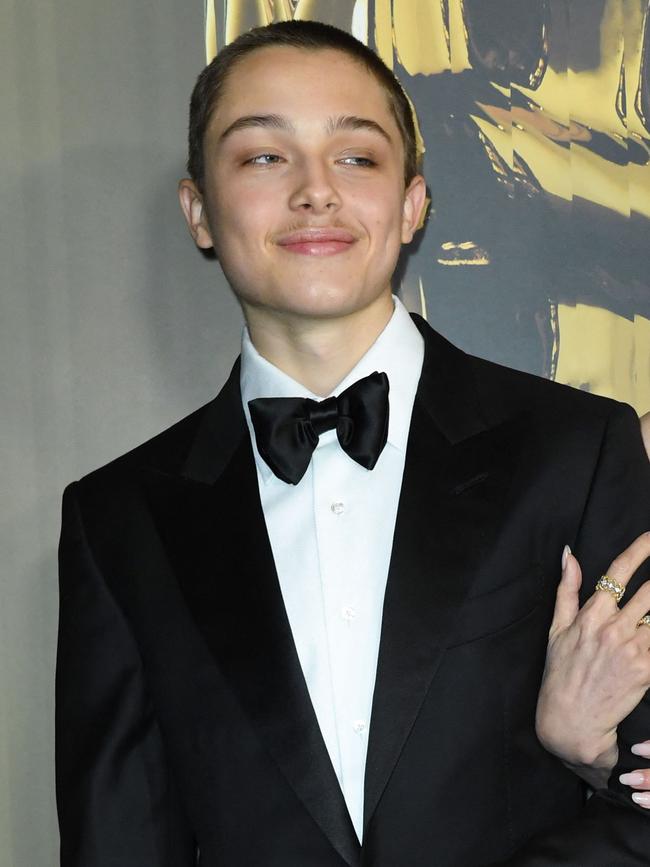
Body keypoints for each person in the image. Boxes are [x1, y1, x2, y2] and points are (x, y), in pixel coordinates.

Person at [55, 20, 650, 866]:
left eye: (357, 156)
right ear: (200, 212)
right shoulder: (118, 521)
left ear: (413, 204)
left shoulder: (578, 449)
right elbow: (116, 841)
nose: (315, 191)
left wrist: (581, 748)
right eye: (263, 156)